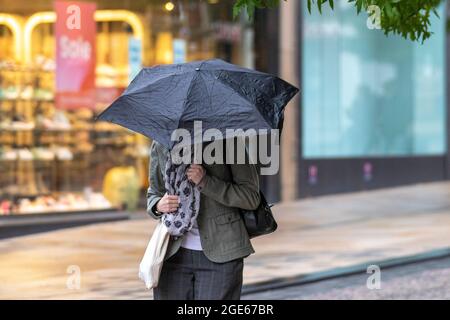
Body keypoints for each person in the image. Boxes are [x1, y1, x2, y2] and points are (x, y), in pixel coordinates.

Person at [147, 140, 260, 300]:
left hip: (222, 253)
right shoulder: (161, 144)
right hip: (173, 254)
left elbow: (251, 197)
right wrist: (158, 205)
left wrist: (206, 182)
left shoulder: (228, 140)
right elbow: (154, 192)